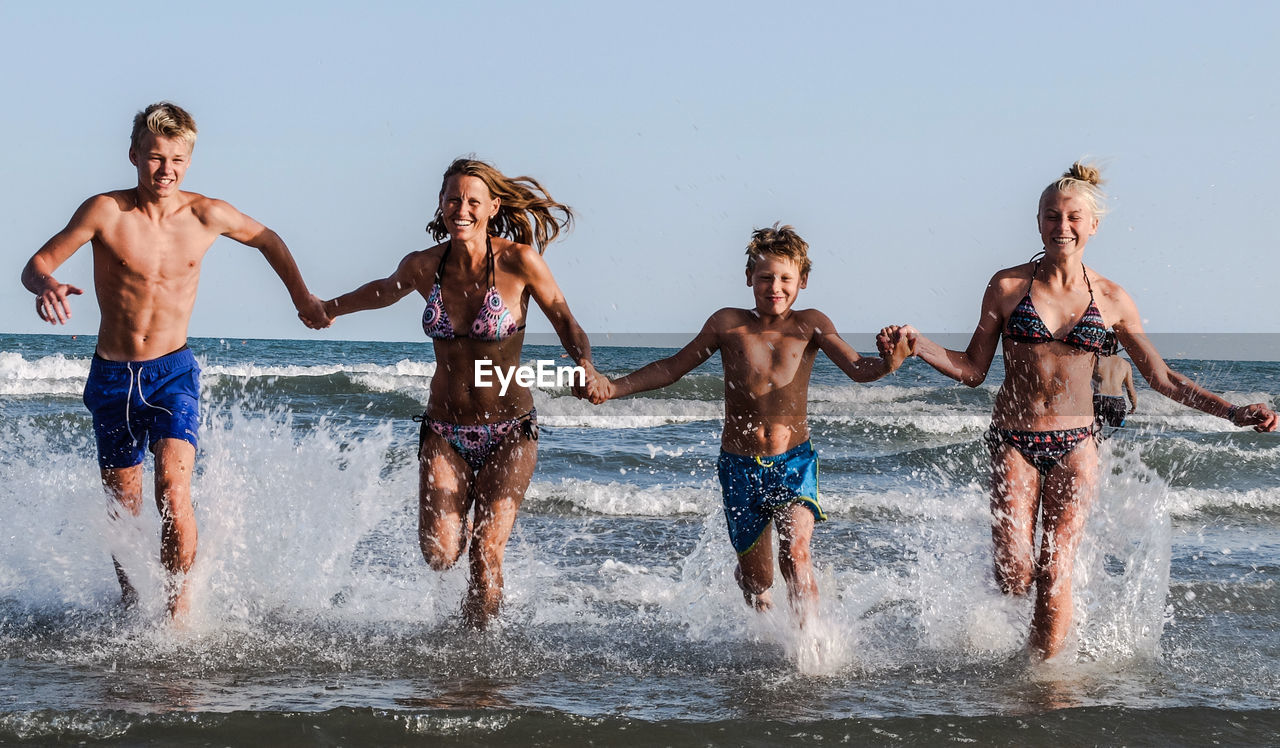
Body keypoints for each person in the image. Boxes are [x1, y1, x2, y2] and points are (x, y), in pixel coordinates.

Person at [884, 162, 1277, 659]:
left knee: (1056, 565)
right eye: (1052, 216)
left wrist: (1232, 412)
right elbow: (972, 368)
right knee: (1014, 573)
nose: (1062, 226)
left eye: (1074, 217)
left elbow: (1162, 377)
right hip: (1013, 438)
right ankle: (1005, 639)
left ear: (1093, 225)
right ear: (1038, 221)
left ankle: (1041, 679)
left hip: (1078, 442)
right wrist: (919, 346)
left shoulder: (1112, 298)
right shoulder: (1007, 287)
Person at [20, 101, 329, 620]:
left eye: (177, 160)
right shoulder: (105, 211)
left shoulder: (207, 214)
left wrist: (302, 298)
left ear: (189, 161)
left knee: (173, 486)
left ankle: (177, 613)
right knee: (124, 507)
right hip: (113, 375)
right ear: (134, 154)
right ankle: (132, 604)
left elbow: (267, 239)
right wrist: (46, 284)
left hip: (172, 373)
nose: (166, 170)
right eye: (155, 158)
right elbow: (37, 263)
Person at [321, 157, 599, 628]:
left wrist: (586, 367)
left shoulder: (519, 262)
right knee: (440, 553)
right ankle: (465, 531)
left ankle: (475, 660)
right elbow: (382, 292)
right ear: (441, 204)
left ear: (493, 206)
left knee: (486, 553)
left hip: (511, 430)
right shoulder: (425, 266)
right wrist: (329, 308)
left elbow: (566, 321)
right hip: (445, 431)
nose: (462, 208)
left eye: (473, 200)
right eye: (453, 199)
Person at [585, 224, 911, 625]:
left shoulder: (811, 324)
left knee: (796, 554)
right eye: (765, 277)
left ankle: (810, 648)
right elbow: (672, 368)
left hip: (794, 462)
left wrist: (889, 363)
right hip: (739, 467)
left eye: (786, 278)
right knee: (759, 579)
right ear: (748, 279)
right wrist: (612, 387)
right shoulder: (726, 324)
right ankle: (760, 610)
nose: (775, 287)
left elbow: (858, 368)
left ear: (803, 281)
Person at [1093, 353, 1137, 428]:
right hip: (1117, 401)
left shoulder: (1095, 360)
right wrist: (1134, 406)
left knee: (1095, 431)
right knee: (1118, 431)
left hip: (1098, 399)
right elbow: (1130, 389)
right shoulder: (1125, 364)